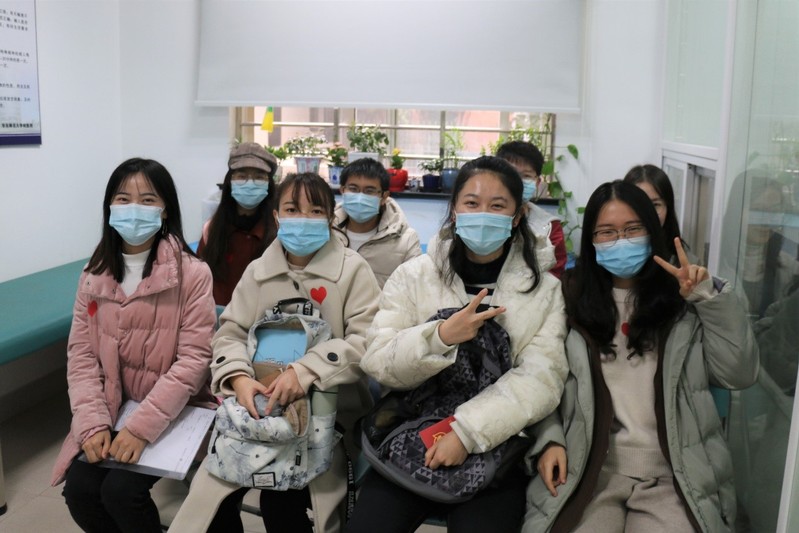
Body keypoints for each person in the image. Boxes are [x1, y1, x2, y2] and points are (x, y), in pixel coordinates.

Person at [346, 156, 568, 533]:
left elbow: (541, 378)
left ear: (517, 217)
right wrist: (439, 337)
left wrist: (466, 432)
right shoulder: (414, 276)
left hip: (497, 440)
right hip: (412, 432)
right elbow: (379, 361)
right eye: (471, 203)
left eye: (497, 206)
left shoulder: (543, 291)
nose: (482, 214)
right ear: (454, 210)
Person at [524, 180, 759, 533]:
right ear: (591, 240)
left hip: (674, 476)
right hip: (588, 469)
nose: (621, 241)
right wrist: (549, 439)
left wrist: (707, 298)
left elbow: (738, 373)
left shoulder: (685, 299)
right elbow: (540, 379)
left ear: (653, 231)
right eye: (607, 232)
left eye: (633, 229)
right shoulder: (567, 297)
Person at [206, 172, 381, 533]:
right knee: (214, 498)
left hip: (332, 416)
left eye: (315, 211)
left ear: (331, 217)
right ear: (276, 215)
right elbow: (230, 332)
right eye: (292, 209)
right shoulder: (258, 272)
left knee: (280, 500)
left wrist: (305, 372)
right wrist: (238, 378)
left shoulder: (352, 270)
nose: (303, 219)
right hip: (257, 409)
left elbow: (367, 340)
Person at [51, 158, 217, 532]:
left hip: (175, 409)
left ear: (165, 209)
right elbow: (81, 356)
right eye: (123, 199)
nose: (134, 209)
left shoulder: (193, 274)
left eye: (147, 200)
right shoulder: (94, 273)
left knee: (121, 493)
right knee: (80, 492)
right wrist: (92, 424)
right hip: (112, 408)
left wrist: (140, 429)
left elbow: (194, 360)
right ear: (109, 207)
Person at [198, 142, 279, 306]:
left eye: (259, 177)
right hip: (217, 316)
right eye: (242, 176)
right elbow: (198, 281)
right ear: (230, 181)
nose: (250, 183)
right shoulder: (211, 230)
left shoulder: (279, 231)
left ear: (269, 184)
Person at [333, 157, 421, 288]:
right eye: (353, 189)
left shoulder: (406, 240)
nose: (360, 197)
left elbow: (415, 289)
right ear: (342, 190)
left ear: (384, 197)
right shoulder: (326, 231)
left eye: (369, 191)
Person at [496, 140, 567, 277]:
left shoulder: (550, 226)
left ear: (537, 182)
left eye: (526, 176)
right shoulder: (480, 217)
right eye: (511, 173)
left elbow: (555, 275)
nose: (518, 181)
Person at [623, 163, 698, 264]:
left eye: (655, 205)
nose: (647, 213)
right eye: (638, 204)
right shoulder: (610, 255)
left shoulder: (687, 264)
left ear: (668, 208)